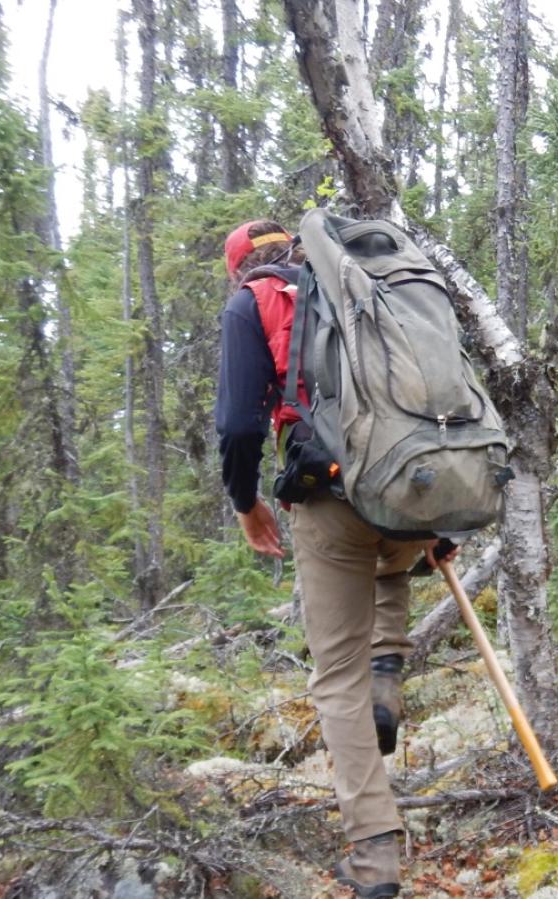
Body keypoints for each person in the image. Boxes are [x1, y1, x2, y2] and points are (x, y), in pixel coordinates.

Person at [215, 219, 449, 899]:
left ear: (240, 268)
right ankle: (387, 676)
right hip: (419, 482)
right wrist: (447, 520)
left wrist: (244, 499)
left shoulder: (253, 302)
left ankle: (376, 857)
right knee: (390, 560)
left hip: (331, 492)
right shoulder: (374, 285)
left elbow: (237, 425)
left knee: (333, 676)